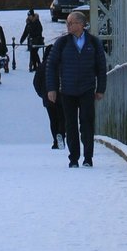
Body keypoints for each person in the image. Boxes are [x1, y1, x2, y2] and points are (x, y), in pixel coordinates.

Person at [45, 10, 107, 168]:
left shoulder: (93, 42)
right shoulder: (62, 43)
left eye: (71, 23)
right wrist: (52, 88)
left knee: (87, 123)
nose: (68, 26)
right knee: (70, 124)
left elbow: (101, 67)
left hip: (87, 89)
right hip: (67, 90)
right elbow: (51, 66)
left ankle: (88, 157)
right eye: (67, 23)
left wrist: (101, 88)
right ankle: (73, 158)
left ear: (81, 24)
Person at [33, 25, 66, 149]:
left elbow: (36, 82)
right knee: (62, 118)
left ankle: (55, 140)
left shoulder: (42, 66)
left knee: (53, 119)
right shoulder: (60, 64)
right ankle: (62, 135)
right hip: (61, 94)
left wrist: (42, 94)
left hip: (47, 96)